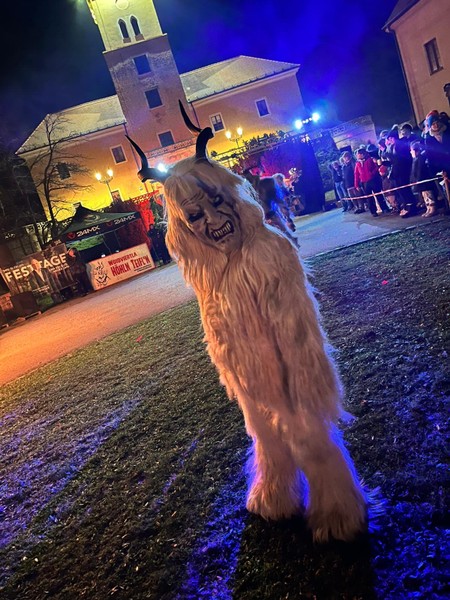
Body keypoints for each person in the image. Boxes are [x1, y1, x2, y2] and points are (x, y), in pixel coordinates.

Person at [385, 128, 416, 217]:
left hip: (403, 171)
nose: (390, 140)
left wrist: (391, 158)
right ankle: (406, 205)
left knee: (405, 190)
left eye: (391, 138)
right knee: (400, 190)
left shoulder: (401, 145)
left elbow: (403, 159)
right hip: (396, 172)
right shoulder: (392, 147)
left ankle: (411, 207)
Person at [354, 148, 390, 216]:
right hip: (365, 182)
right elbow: (356, 174)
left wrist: (372, 173)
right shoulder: (358, 163)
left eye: (358, 154)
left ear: (362, 154)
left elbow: (376, 167)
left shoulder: (370, 160)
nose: (357, 156)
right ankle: (373, 211)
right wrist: (356, 185)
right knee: (369, 198)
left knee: (378, 195)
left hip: (373, 180)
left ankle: (384, 208)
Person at [410, 141, 437, 217]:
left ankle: (432, 208)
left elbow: (420, 170)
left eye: (412, 150)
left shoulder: (421, 158)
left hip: (424, 180)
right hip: (419, 181)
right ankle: (428, 208)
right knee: (425, 195)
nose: (411, 152)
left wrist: (418, 179)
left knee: (429, 195)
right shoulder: (415, 159)